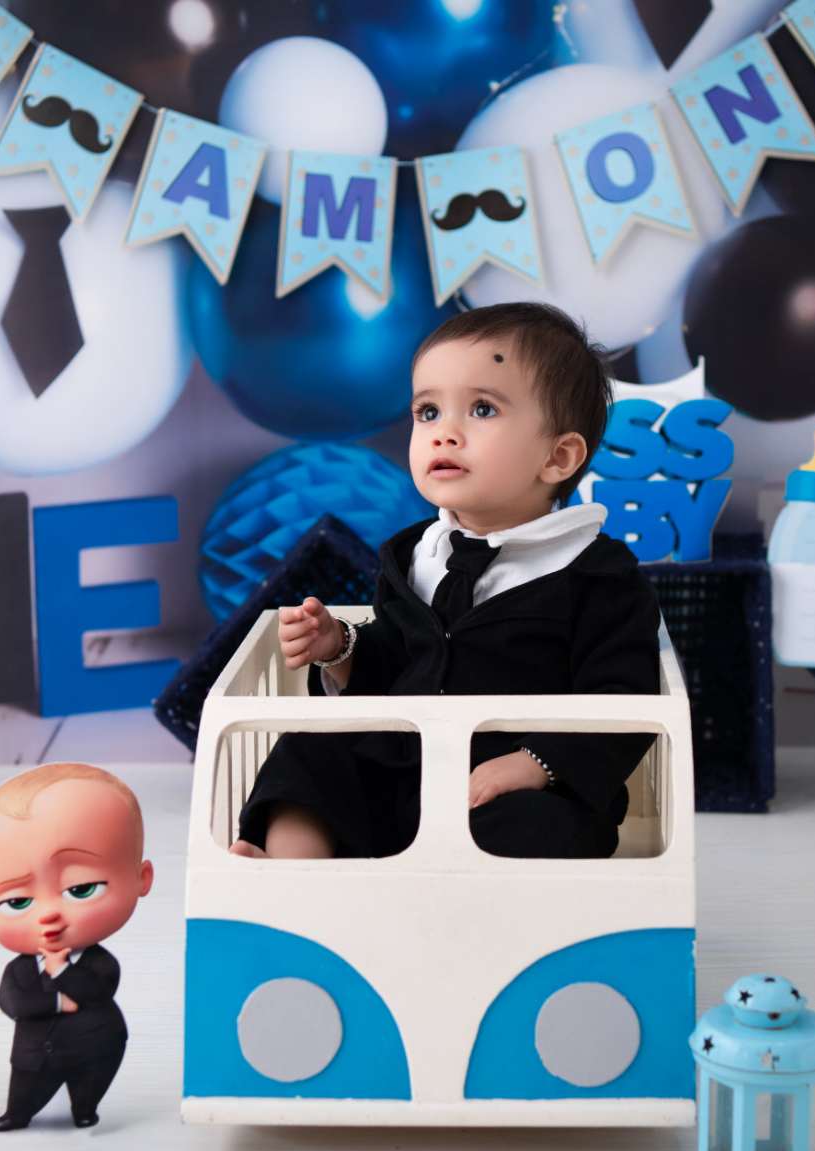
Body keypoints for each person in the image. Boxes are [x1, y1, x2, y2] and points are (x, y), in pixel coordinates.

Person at [229, 302, 661, 861]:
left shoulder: (598, 576)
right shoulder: (416, 555)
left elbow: (624, 700)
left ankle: (451, 891)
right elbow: (395, 662)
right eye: (428, 412)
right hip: (399, 773)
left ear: (558, 457)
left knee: (544, 827)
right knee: (308, 752)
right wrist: (340, 648)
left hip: (509, 789)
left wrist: (535, 763)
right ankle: (297, 872)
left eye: (482, 409)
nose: (444, 434)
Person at [0, 763, 155, 1130]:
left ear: (141, 878)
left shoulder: (101, 964)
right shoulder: (19, 970)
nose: (49, 914)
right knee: (24, 1091)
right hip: (32, 1054)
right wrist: (57, 1003)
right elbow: (12, 1003)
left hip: (97, 1047)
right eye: (17, 901)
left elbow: (96, 992)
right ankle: (16, 1113)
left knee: (88, 1088)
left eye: (80, 889)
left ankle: (85, 1108)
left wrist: (61, 971)